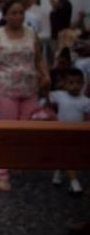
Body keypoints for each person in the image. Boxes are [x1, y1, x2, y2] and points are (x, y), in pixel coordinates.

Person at [0, 0, 50, 192]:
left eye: (20, 13)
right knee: (8, 130)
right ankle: (3, 171)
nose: (18, 17)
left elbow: (39, 59)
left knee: (25, 129)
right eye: (13, 13)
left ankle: (16, 160)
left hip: (29, 87)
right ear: (5, 15)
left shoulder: (31, 35)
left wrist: (45, 75)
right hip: (5, 88)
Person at [48, 68, 90, 196]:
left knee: (69, 156)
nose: (75, 86)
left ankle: (58, 171)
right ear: (65, 84)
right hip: (61, 132)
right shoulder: (59, 95)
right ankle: (74, 181)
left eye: (78, 83)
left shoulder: (86, 101)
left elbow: (87, 117)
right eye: (71, 83)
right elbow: (47, 97)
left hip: (77, 133)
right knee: (68, 156)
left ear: (83, 84)